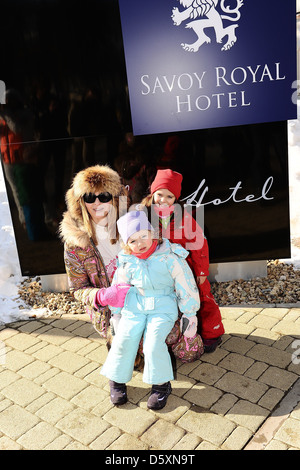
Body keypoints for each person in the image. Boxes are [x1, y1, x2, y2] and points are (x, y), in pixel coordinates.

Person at [100, 210, 200, 409]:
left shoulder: (169, 256)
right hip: (134, 306)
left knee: (153, 343)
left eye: (143, 236)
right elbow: (118, 289)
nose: (140, 243)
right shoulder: (127, 261)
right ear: (126, 245)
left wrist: (190, 314)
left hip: (162, 307)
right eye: (133, 241)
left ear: (152, 233)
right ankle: (117, 379)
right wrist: (116, 314)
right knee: (123, 339)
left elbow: (185, 284)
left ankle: (161, 385)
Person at [141, 168, 225, 353]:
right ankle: (177, 335)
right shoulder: (144, 214)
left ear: (176, 199)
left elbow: (199, 244)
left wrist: (201, 271)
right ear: (153, 193)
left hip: (186, 269)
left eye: (169, 197)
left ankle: (212, 331)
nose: (163, 200)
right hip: (159, 272)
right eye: (159, 194)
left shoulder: (183, 218)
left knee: (201, 297)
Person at [59, 164, 130, 342]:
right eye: (90, 197)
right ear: (81, 202)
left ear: (114, 199)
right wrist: (102, 296)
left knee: (182, 348)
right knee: (130, 350)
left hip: (141, 297)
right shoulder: (75, 242)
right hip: (107, 310)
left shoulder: (130, 225)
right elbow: (78, 288)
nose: (97, 203)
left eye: (104, 196)